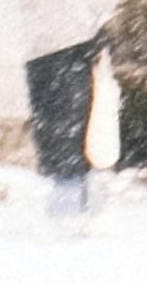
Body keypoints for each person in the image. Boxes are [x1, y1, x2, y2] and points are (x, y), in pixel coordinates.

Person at [23, 33, 107, 215]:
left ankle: (71, 193)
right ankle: (74, 192)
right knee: (65, 113)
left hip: (56, 47)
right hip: (62, 48)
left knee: (62, 113)